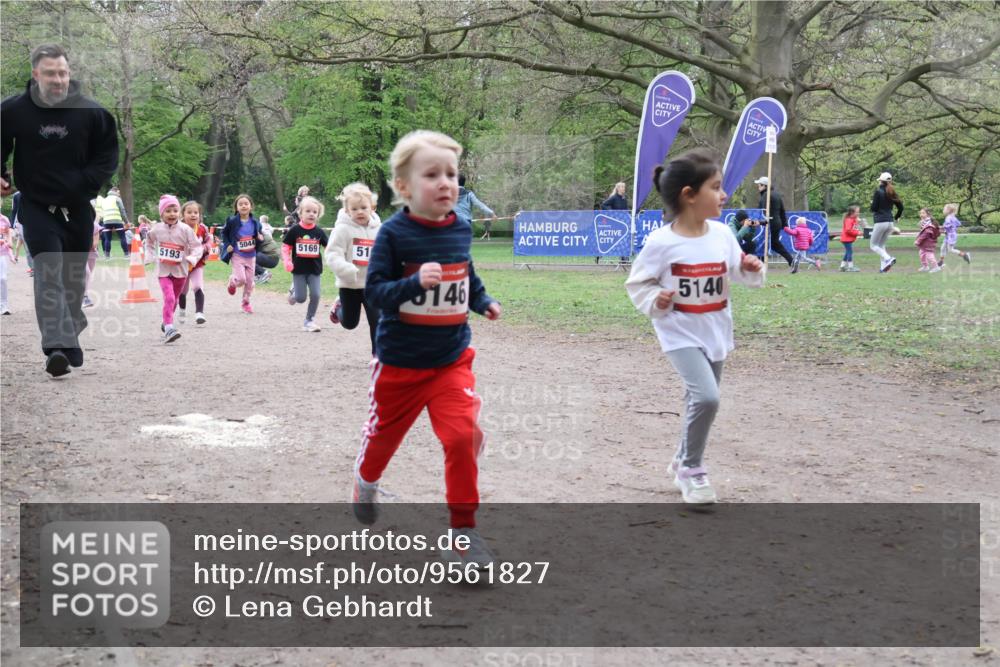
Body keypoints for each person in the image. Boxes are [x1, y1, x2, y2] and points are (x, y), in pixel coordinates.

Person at [352, 130, 502, 569]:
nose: (446, 183)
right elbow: (375, 293)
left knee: (463, 437)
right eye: (432, 174)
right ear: (403, 187)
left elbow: (466, 274)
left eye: (452, 174)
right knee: (383, 441)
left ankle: (462, 537)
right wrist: (413, 284)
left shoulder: (460, 226)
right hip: (400, 365)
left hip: (452, 360)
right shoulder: (394, 235)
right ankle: (366, 481)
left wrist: (482, 301)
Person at [625, 149, 765, 504]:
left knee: (698, 400)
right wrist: (654, 298)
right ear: (689, 195)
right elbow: (638, 284)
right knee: (707, 397)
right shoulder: (661, 242)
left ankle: (682, 458)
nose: (724, 195)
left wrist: (750, 268)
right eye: (716, 187)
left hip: (716, 330)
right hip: (679, 333)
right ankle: (691, 469)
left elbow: (737, 270)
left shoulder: (721, 234)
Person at [1, 44, 119, 377]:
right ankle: (56, 348)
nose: (58, 79)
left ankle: (71, 325)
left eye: (63, 73)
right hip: (37, 206)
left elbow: (107, 155)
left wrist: (84, 183)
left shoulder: (92, 113)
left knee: (71, 282)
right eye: (51, 73)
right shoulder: (13, 111)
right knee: (48, 272)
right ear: (36, 74)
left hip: (78, 208)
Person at [325, 182, 382, 355]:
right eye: (354, 208)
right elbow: (332, 254)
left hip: (372, 284)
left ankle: (377, 355)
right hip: (349, 284)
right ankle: (338, 307)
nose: (359, 212)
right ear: (348, 210)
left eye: (363, 207)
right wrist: (346, 269)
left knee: (377, 319)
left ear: (372, 208)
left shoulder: (378, 229)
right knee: (350, 323)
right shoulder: (342, 229)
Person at [144, 195, 200, 343]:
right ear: (161, 213)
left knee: (174, 300)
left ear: (179, 213)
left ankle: (165, 322)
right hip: (163, 271)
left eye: (175, 210)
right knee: (169, 298)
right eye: (168, 211)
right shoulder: (156, 229)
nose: (172, 214)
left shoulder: (185, 229)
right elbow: (148, 242)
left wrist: (192, 258)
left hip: (181, 271)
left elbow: (197, 246)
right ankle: (169, 328)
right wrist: (149, 256)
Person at [281, 195, 329, 332]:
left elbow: (329, 247)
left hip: (314, 269)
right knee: (300, 298)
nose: (311, 214)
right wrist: (287, 261)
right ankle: (293, 291)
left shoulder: (319, 232)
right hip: (299, 269)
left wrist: (333, 257)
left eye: (315, 212)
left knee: (316, 294)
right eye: (308, 211)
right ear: (300, 213)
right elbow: (285, 247)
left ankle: (309, 320)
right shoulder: (295, 230)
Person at [220, 193, 263, 314]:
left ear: (251, 206)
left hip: (251, 255)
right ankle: (232, 281)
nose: (243, 206)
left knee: (249, 282)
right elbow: (224, 233)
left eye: (246, 204)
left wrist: (260, 237)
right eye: (240, 204)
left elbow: (259, 235)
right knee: (241, 279)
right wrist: (228, 244)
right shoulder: (232, 221)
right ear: (236, 207)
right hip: (237, 255)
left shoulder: (255, 222)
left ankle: (245, 303)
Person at [177, 200, 212, 323]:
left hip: (197, 264)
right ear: (182, 215)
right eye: (189, 212)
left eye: (196, 212)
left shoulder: (202, 228)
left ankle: (199, 313)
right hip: (182, 264)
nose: (193, 215)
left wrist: (206, 247)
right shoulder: (178, 228)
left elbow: (208, 240)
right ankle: (182, 311)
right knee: (182, 290)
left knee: (197, 286)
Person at [753, 176, 795, 267]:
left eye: (759, 185)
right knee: (774, 244)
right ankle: (791, 260)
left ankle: (760, 264)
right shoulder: (776, 195)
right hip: (777, 223)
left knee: (764, 243)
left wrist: (760, 222)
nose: (758, 187)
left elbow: (763, 212)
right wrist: (784, 224)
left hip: (769, 223)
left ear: (764, 186)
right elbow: (782, 211)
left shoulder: (766, 196)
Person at [869, 172, 903, 273]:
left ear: (881, 181)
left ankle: (888, 259)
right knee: (881, 245)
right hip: (890, 222)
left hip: (880, 222)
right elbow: (901, 207)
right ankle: (883, 267)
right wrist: (897, 217)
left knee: (873, 245)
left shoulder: (878, 192)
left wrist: (872, 203)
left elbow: (874, 208)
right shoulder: (892, 192)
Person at [595, 181, 630, 265]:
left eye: (624, 187)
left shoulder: (624, 199)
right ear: (618, 188)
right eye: (622, 187)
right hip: (614, 223)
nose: (623, 189)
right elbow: (604, 205)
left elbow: (625, 210)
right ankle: (598, 255)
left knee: (623, 239)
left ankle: (623, 258)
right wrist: (612, 212)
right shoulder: (614, 197)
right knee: (611, 241)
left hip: (623, 223)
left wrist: (628, 215)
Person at [456, 174, 497, 240]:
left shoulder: (449, 194)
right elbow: (480, 205)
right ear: (464, 183)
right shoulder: (469, 194)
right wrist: (492, 213)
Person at [99, 186, 130, 258]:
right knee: (122, 237)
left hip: (106, 221)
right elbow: (122, 210)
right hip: (117, 220)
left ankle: (107, 255)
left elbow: (102, 211)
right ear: (115, 191)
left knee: (107, 239)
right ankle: (126, 254)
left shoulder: (104, 200)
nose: (119, 194)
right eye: (118, 192)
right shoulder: (117, 199)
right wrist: (126, 222)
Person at [915, 207, 941, 273]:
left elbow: (925, 234)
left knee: (929, 255)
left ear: (928, 214)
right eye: (920, 213)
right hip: (925, 243)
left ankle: (936, 267)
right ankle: (925, 266)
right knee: (921, 253)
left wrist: (918, 241)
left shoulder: (929, 224)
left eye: (923, 213)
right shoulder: (925, 222)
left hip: (928, 243)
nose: (921, 214)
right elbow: (922, 230)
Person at [252, 214, 276, 284]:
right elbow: (272, 230)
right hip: (270, 244)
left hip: (264, 244)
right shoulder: (269, 226)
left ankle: (263, 273)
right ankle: (259, 275)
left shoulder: (260, 225)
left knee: (251, 258)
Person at [839, 205, 862, 272]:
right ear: (852, 213)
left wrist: (858, 221)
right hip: (846, 239)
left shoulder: (853, 219)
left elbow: (854, 226)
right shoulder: (848, 220)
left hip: (848, 239)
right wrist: (857, 233)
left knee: (847, 252)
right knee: (850, 252)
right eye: (857, 212)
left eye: (859, 212)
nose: (858, 213)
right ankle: (850, 267)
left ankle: (842, 267)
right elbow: (848, 230)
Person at [0, 201, 13, 315]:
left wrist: (8, 241)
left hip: (2, 253)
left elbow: (8, 232)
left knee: (3, 279)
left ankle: (4, 306)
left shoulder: (4, 219)